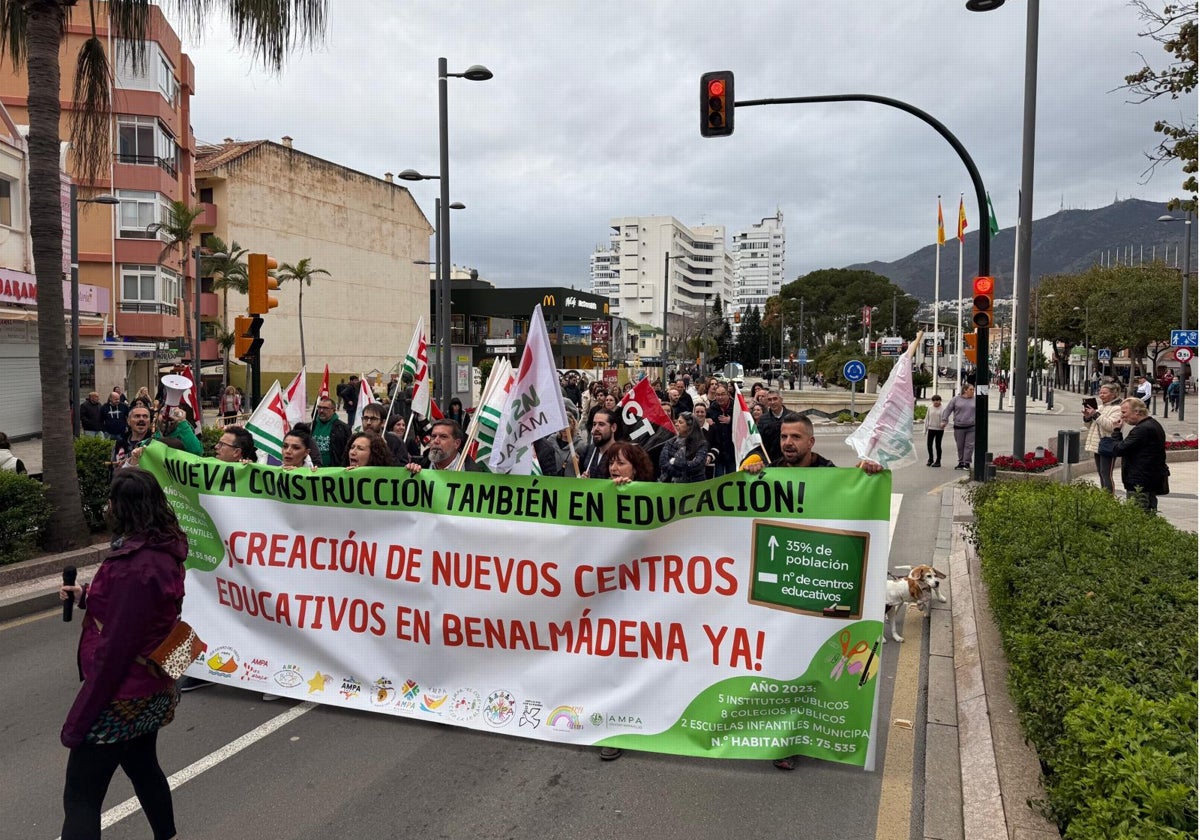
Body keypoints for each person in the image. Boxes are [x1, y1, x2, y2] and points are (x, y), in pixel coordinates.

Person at [57, 468, 188, 840]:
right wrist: (86, 597)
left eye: (111, 501)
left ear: (123, 507)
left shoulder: (135, 565)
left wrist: (80, 718)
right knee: (144, 766)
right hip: (152, 686)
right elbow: (140, 615)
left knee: (81, 798)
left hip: (121, 695)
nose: (107, 507)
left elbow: (117, 648)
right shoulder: (163, 547)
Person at [1111, 397, 1169, 511]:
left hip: (1139, 481)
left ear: (1137, 411)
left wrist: (1116, 432)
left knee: (1138, 514)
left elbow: (1119, 449)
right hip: (1149, 478)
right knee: (1148, 512)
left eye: (1124, 412)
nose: (1122, 416)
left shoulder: (1142, 429)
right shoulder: (1153, 424)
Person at [1081, 383, 1122, 493]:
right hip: (1098, 444)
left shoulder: (1117, 409)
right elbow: (1091, 426)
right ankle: (1104, 496)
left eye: (1105, 393)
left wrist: (1095, 414)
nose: (1101, 395)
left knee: (1106, 474)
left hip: (1108, 443)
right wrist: (1087, 417)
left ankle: (1109, 499)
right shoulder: (1100, 407)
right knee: (1101, 473)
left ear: (1113, 395)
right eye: (1100, 392)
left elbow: (1111, 426)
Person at [405, 419, 478, 472]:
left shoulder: (472, 472)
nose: (436, 441)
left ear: (457, 443)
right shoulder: (420, 467)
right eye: (433, 436)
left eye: (443, 436)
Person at [658, 412, 709, 483]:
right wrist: (678, 473)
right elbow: (663, 462)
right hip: (671, 486)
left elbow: (697, 465)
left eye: (680, 422)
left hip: (694, 486)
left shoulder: (701, 444)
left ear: (689, 426)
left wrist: (674, 462)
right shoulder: (670, 442)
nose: (676, 424)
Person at [577, 408, 620, 478]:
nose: (596, 428)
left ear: (613, 428)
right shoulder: (588, 450)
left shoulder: (621, 453)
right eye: (594, 424)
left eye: (601, 424)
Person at [943, 384, 976, 470]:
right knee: (960, 445)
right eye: (971, 389)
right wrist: (944, 419)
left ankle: (967, 462)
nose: (973, 391)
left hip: (971, 427)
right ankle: (961, 462)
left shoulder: (975, 400)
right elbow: (948, 409)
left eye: (973, 390)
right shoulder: (956, 399)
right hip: (959, 426)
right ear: (965, 390)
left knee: (969, 445)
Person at [111, 405, 155, 470]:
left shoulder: (155, 443)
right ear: (128, 421)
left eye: (145, 416)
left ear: (150, 421)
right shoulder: (119, 444)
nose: (141, 419)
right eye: (137, 416)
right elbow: (113, 470)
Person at [311, 397, 351, 467]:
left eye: (325, 408)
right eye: (319, 407)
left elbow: (347, 451)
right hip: (313, 469)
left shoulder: (343, 428)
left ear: (334, 410)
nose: (321, 411)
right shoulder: (311, 426)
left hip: (333, 471)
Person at [757, 390, 787, 462]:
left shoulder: (792, 417)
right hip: (769, 460)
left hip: (788, 461)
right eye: (769, 400)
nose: (772, 402)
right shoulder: (763, 419)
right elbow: (759, 441)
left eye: (775, 399)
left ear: (781, 400)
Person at [925, 395, 947, 467]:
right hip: (931, 428)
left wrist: (944, 424)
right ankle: (930, 459)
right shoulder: (930, 407)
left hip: (939, 429)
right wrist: (925, 428)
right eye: (934, 400)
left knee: (938, 445)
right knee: (929, 445)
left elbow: (945, 419)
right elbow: (927, 418)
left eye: (937, 400)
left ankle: (938, 461)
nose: (936, 402)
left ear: (940, 401)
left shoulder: (943, 409)